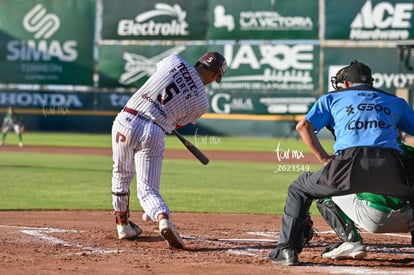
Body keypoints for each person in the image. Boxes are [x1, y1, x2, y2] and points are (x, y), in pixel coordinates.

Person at [268, 60, 414, 266]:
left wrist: (324, 159)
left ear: (345, 84)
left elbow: (303, 126)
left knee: (299, 188)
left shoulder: (331, 98)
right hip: (391, 164)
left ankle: (287, 251)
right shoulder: (394, 101)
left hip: (348, 164)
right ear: (371, 83)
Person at [111, 51, 227, 249]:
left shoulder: (174, 59)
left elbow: (161, 80)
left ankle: (123, 225)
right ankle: (162, 219)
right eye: (217, 77)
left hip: (126, 119)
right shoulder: (202, 104)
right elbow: (176, 125)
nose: (214, 81)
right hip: (154, 131)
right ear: (215, 74)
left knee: (121, 174)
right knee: (147, 189)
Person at [315, 67, 414, 260]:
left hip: (373, 218)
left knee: (325, 190)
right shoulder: (406, 151)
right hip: (409, 219)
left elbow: (304, 126)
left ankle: (351, 241)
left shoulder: (355, 154)